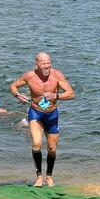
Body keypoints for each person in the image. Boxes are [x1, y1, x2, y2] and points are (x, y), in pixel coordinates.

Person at [10, 53, 75, 187]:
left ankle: (49, 177)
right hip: (36, 113)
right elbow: (13, 86)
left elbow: (71, 93)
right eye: (43, 63)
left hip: (52, 114)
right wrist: (17, 95)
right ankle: (39, 177)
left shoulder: (57, 75)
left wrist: (56, 96)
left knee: (52, 148)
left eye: (48, 63)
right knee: (37, 143)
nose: (46, 66)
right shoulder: (30, 76)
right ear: (37, 64)